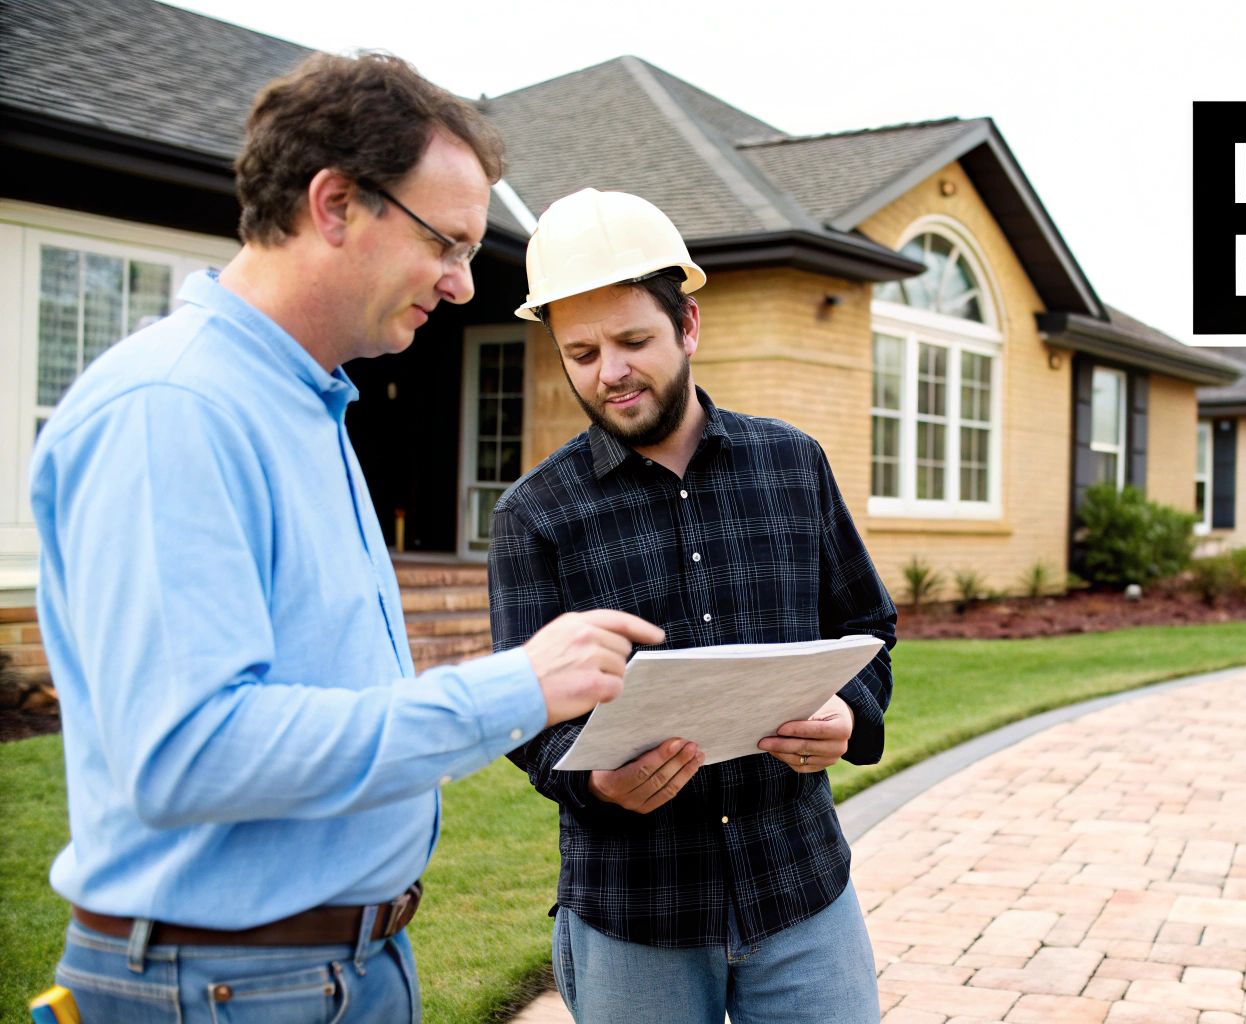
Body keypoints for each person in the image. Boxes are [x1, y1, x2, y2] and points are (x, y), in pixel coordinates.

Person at [29, 53, 660, 1022]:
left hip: (330, 968)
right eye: (446, 244)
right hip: (229, 985)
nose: (459, 284)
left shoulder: (302, 404)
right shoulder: (173, 409)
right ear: (333, 204)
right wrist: (517, 685)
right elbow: (189, 752)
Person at [490, 188, 896, 1023]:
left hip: (801, 891)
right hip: (635, 914)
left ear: (689, 327)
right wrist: (596, 782)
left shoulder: (793, 464)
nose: (610, 372)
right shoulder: (534, 517)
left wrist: (849, 716)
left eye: (634, 340)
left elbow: (869, 629)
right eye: (582, 351)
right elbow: (527, 717)